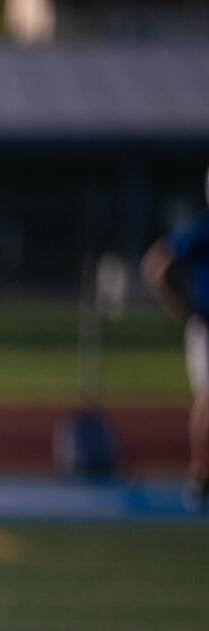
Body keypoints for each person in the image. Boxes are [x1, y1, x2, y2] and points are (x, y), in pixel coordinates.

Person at [139, 167, 209, 513]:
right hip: (205, 326)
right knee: (208, 399)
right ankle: (199, 471)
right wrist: (175, 303)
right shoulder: (200, 229)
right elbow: (155, 264)